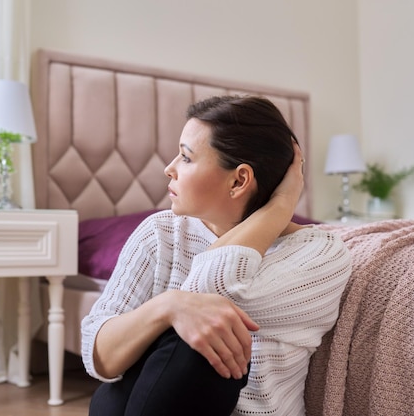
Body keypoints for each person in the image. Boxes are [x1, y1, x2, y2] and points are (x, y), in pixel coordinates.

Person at [81, 95, 352, 416]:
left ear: (239, 180)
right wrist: (168, 306)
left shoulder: (322, 254)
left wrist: (280, 208)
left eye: (185, 157)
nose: (169, 169)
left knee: (198, 346)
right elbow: (98, 358)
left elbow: (213, 295)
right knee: (113, 393)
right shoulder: (161, 232)